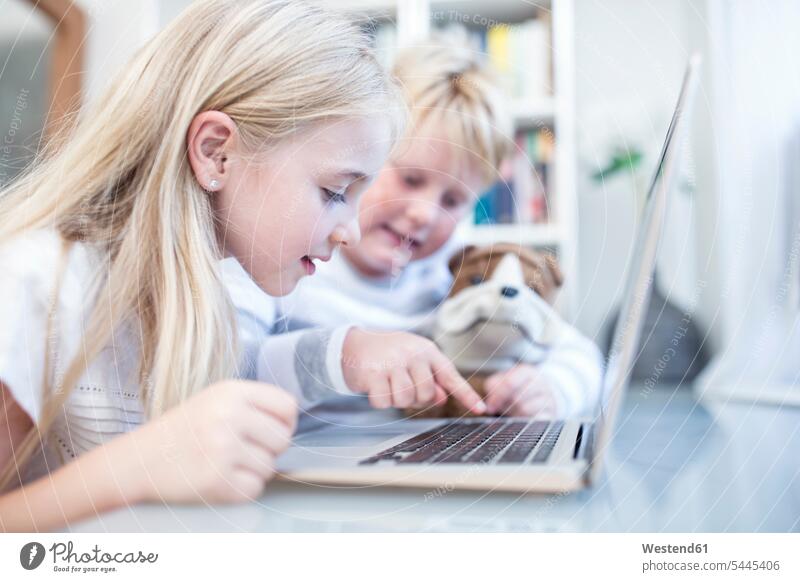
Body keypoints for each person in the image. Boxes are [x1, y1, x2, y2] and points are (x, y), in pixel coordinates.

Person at [0, 0, 480, 532]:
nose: (351, 231)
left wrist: (343, 354)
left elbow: (232, 376)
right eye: (335, 191)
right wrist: (139, 465)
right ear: (216, 153)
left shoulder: (221, 286)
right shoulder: (39, 285)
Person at [261, 39, 604, 421]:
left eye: (453, 200)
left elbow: (579, 353)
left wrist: (550, 390)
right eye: (409, 179)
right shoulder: (287, 258)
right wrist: (344, 357)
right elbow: (232, 365)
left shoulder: (460, 273)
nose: (425, 214)